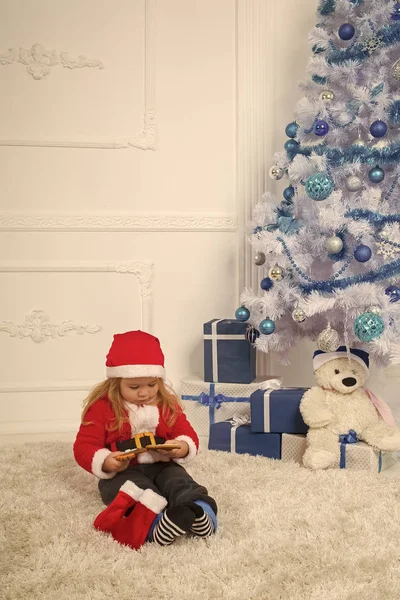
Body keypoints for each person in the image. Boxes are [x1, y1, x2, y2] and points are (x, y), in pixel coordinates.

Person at [73, 330, 217, 549]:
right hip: (122, 471)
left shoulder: (166, 404)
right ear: (115, 383)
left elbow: (186, 432)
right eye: (134, 387)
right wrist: (106, 461)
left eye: (152, 385)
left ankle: (200, 513)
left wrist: (182, 446)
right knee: (134, 491)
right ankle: (154, 525)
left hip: (161, 465)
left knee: (180, 482)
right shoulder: (101, 408)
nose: (145, 393)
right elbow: (84, 445)